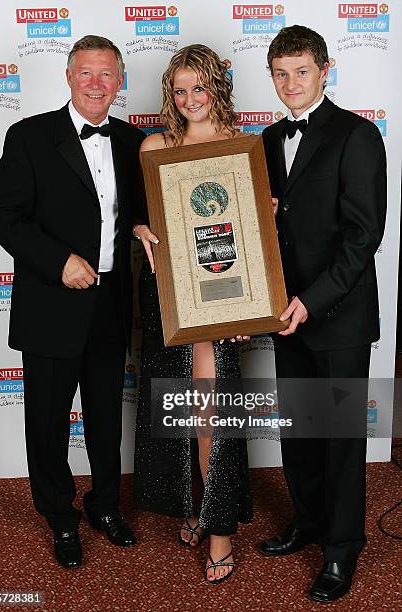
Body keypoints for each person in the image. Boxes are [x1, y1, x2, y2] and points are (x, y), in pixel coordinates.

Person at [0, 35, 146, 568]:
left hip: (111, 302)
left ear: (120, 81)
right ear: (69, 77)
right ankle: (60, 516)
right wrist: (59, 262)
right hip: (52, 303)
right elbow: (2, 215)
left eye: (107, 74)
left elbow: (145, 214)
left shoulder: (133, 141)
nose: (97, 83)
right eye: (86, 73)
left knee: (105, 416)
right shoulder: (29, 136)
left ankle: (104, 506)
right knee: (48, 421)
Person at [258, 25, 386, 602]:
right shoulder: (264, 139)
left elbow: (363, 238)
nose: (290, 83)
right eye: (280, 74)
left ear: (324, 69)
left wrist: (311, 301)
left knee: (337, 436)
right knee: (299, 430)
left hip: (335, 314)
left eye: (301, 72)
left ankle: (341, 547)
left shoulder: (357, 135)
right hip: (284, 312)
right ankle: (308, 521)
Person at [133, 44, 253, 584]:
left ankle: (221, 528)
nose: (189, 99)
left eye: (198, 87)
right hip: (170, 293)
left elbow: (257, 227)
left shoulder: (242, 145)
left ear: (216, 86)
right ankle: (192, 504)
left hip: (226, 292)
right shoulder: (156, 145)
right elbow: (141, 215)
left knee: (213, 410)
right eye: (179, 90)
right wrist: (139, 229)